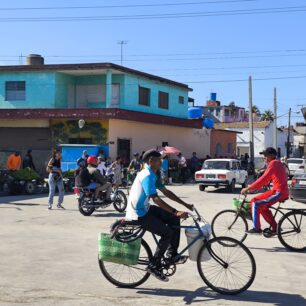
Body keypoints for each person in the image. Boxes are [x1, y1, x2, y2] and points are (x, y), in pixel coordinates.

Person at [126, 149, 193, 282]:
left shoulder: (153, 174)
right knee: (167, 233)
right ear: (151, 161)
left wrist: (184, 205)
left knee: (174, 219)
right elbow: (155, 198)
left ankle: (171, 255)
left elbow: (166, 192)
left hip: (145, 208)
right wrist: (175, 211)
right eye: (159, 160)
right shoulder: (146, 175)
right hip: (138, 213)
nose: (161, 162)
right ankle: (154, 265)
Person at [241, 147, 289, 235]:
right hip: (276, 190)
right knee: (255, 201)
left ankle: (256, 228)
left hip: (280, 192)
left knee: (257, 204)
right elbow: (266, 180)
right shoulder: (275, 163)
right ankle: (275, 227)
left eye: (266, 155)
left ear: (272, 156)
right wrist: (253, 188)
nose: (264, 157)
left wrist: (248, 188)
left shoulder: (274, 163)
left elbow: (264, 179)